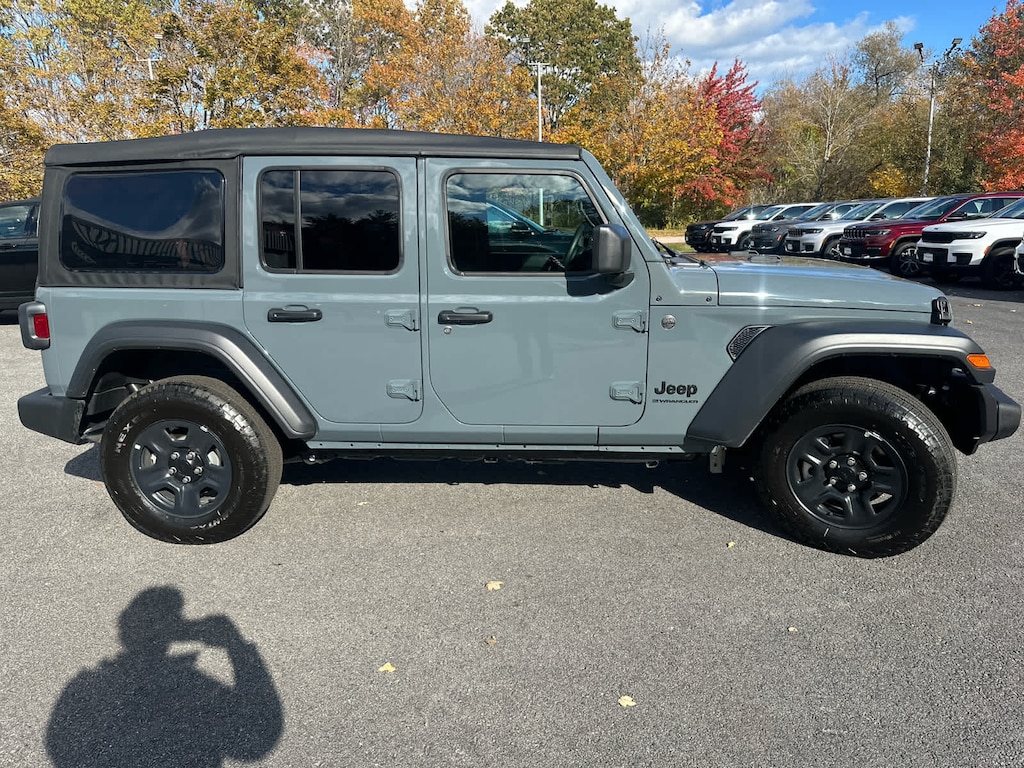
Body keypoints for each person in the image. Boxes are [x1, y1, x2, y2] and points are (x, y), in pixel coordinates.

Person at [46, 586, 283, 767]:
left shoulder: (87, 687)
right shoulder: (91, 686)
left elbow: (62, 748)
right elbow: (257, 740)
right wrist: (236, 647)